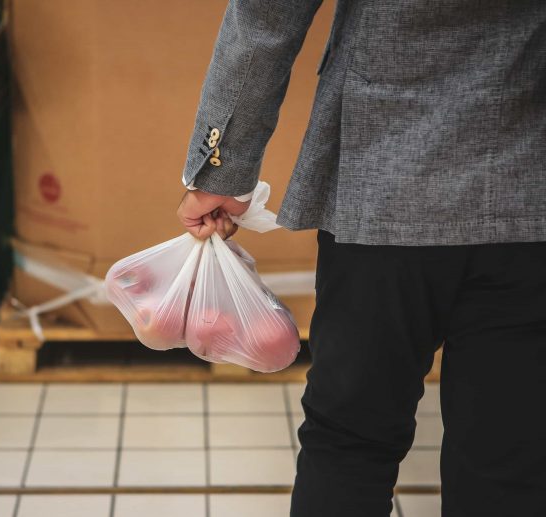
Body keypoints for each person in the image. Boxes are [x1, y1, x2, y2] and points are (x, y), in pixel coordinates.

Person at [176, 1, 546, 516]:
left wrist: (221, 170)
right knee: (509, 459)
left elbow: (266, 17)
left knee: (351, 442)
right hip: (528, 191)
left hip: (379, 184)